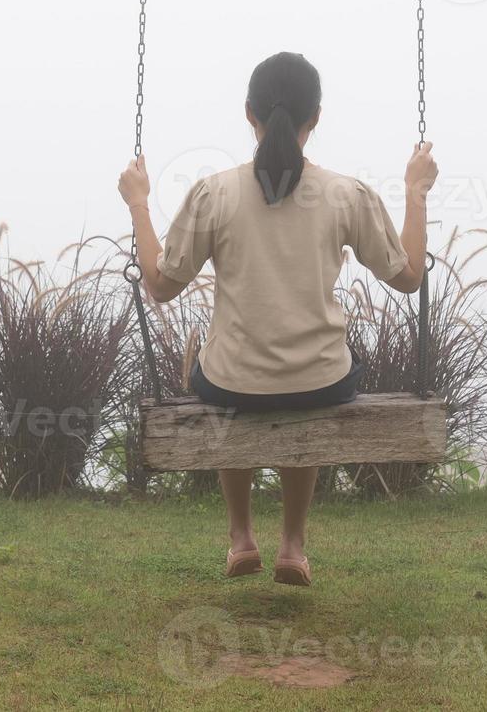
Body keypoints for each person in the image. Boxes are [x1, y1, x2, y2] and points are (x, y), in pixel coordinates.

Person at [117, 51, 437, 586]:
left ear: (250, 114)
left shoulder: (213, 193)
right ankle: (292, 545)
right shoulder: (345, 194)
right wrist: (416, 194)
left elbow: (160, 285)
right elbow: (408, 278)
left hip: (231, 382)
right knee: (306, 383)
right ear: (316, 118)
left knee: (220, 373)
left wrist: (138, 203)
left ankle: (241, 537)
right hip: (321, 382)